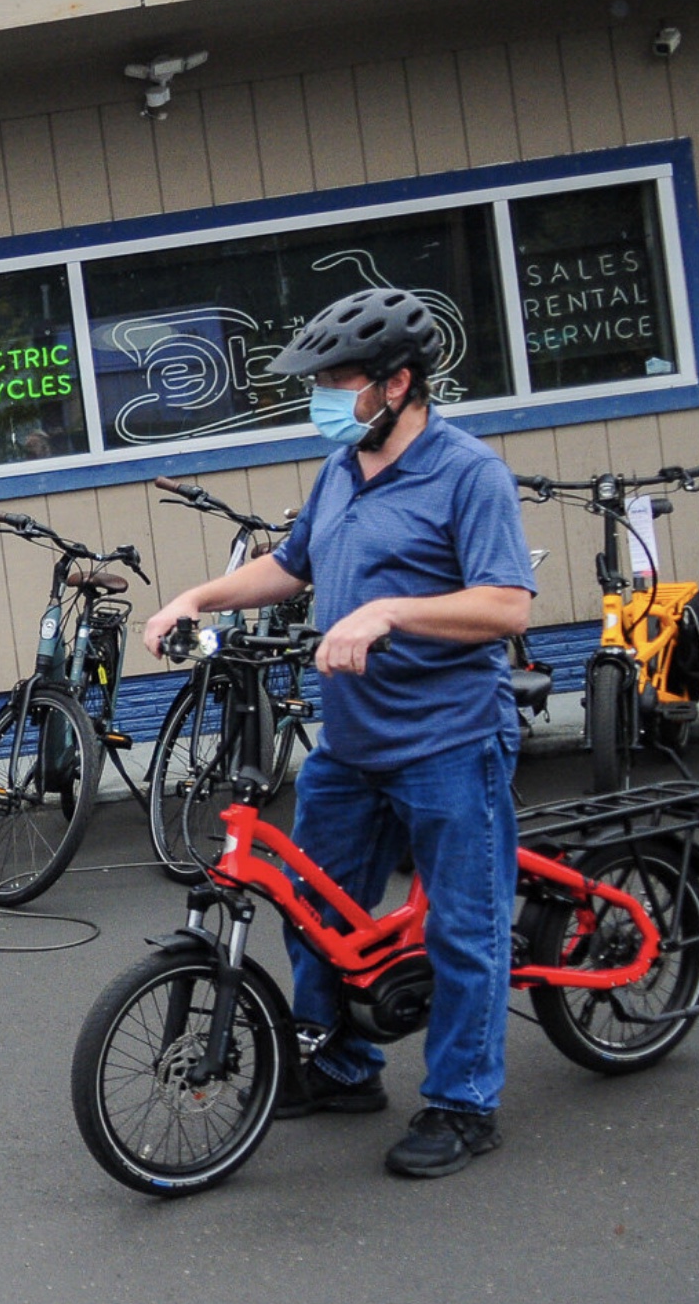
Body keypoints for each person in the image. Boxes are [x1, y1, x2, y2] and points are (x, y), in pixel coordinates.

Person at [142, 288, 535, 1179]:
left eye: (335, 380)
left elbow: (507, 603)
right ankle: (344, 1067)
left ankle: (465, 1104)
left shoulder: (468, 473)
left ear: (396, 384)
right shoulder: (341, 471)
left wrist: (390, 611)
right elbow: (290, 567)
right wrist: (198, 597)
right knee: (317, 913)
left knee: (463, 929)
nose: (321, 395)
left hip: (449, 739)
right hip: (353, 746)